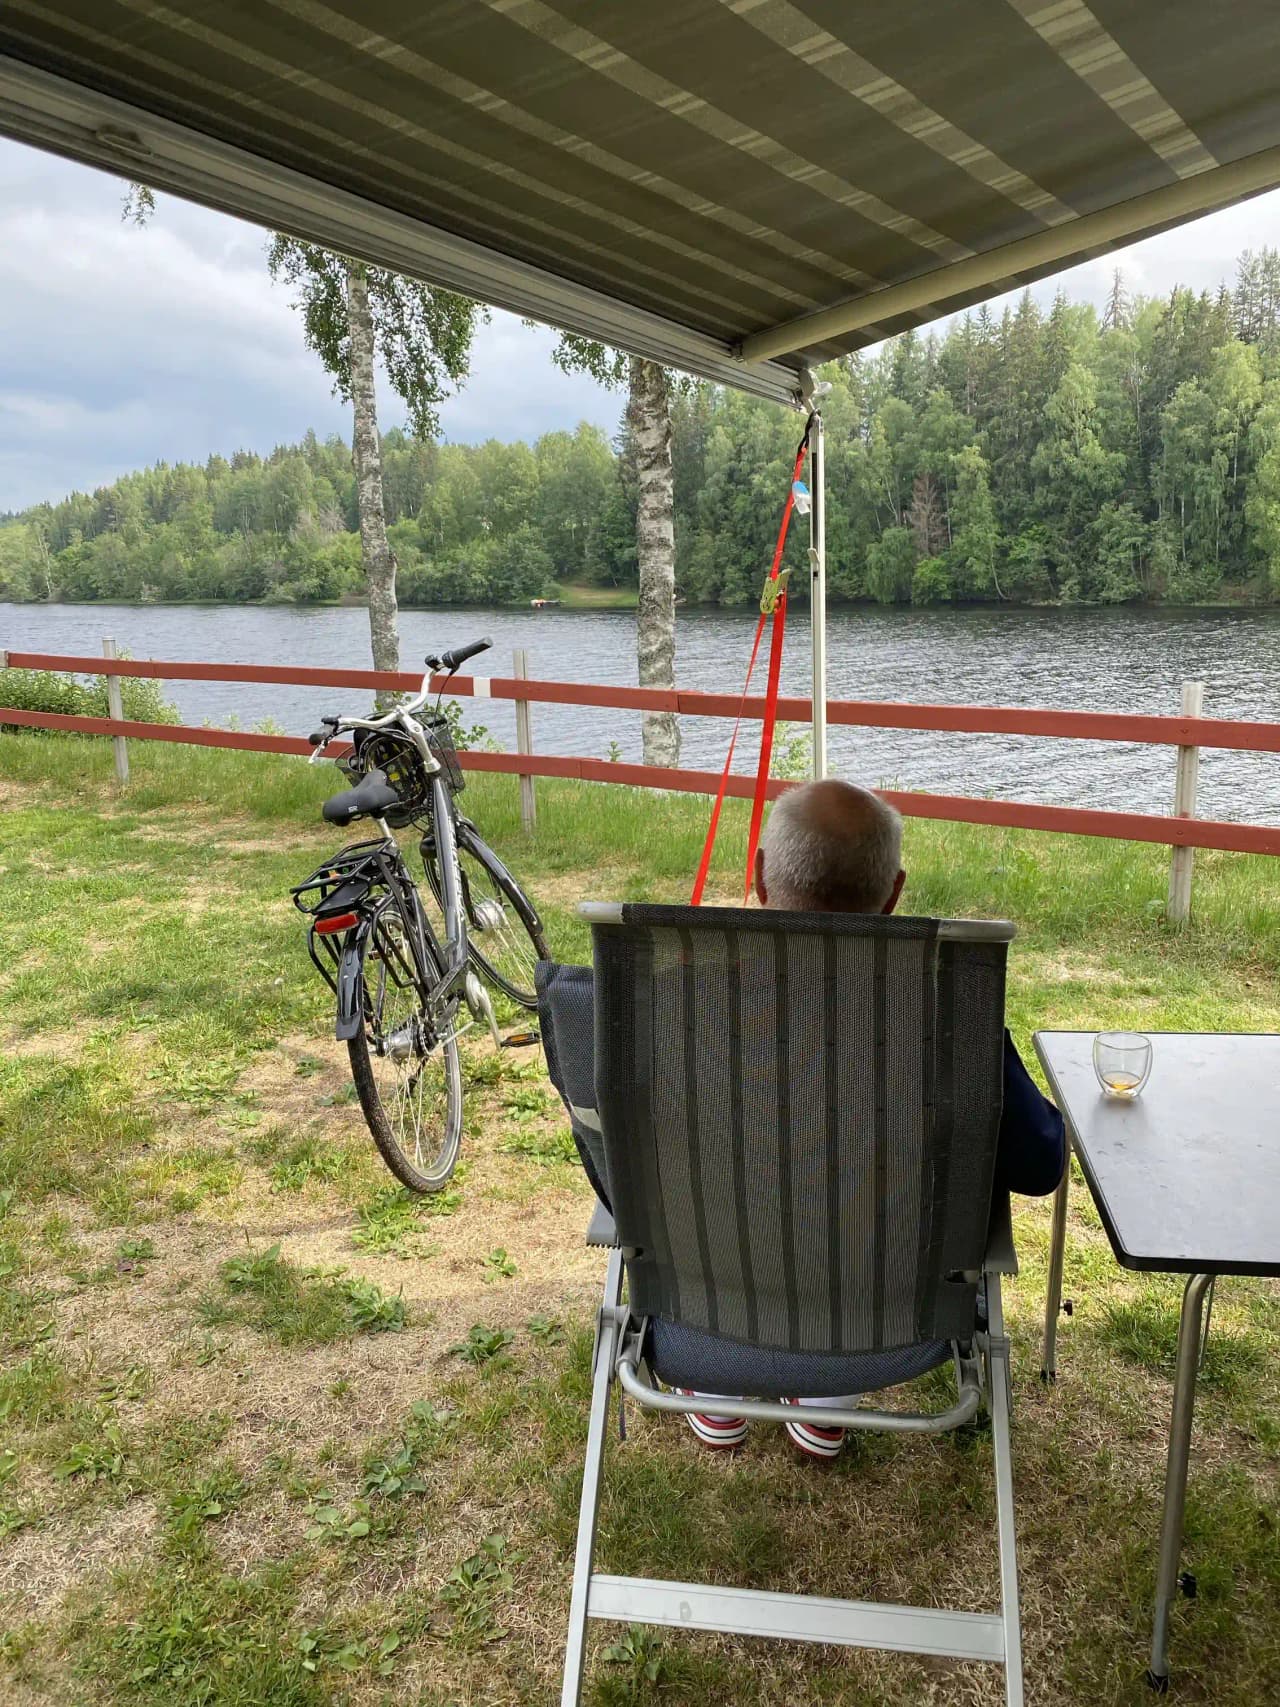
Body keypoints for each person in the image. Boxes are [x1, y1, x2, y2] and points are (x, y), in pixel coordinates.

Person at [539, 779, 1065, 1460]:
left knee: (717, 1192)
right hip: (883, 1326)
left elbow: (619, 1165)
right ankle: (825, 1401)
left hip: (702, 1315)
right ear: (894, 893)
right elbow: (1039, 1165)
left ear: (760, 876)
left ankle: (716, 1389)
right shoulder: (947, 1023)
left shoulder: (666, 1013)